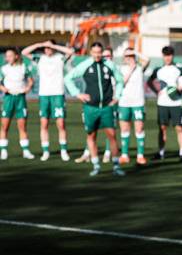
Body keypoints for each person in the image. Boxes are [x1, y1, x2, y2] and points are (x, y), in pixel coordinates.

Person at [64, 42, 125, 176]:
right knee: (91, 136)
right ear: (90, 53)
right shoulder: (85, 65)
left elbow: (120, 81)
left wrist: (117, 96)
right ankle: (96, 165)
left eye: (99, 52)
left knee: (112, 136)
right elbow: (68, 78)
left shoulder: (109, 65)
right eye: (94, 52)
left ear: (102, 52)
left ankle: (116, 166)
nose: (97, 55)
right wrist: (77, 93)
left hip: (107, 107)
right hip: (90, 108)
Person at [23, 40, 73, 161]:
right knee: (44, 124)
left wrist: (53, 45)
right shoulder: (40, 59)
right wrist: (39, 44)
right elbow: (24, 52)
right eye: (46, 48)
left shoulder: (60, 58)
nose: (48, 49)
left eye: (49, 47)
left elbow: (71, 51)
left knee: (60, 124)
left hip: (58, 94)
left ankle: (64, 150)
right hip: (44, 95)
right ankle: (46, 151)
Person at [148, 46, 182, 161]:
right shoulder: (158, 70)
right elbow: (149, 81)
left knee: (179, 128)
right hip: (162, 103)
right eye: (166, 55)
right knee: (162, 128)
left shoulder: (180, 69)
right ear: (163, 56)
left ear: (173, 55)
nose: (168, 57)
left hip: (177, 103)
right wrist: (157, 92)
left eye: (170, 55)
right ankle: (161, 153)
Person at [116, 48, 151, 165]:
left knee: (139, 129)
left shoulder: (140, 68)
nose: (129, 58)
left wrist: (135, 52)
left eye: (131, 56)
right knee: (124, 129)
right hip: (124, 103)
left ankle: (140, 155)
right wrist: (130, 69)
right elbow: (121, 83)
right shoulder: (120, 68)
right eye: (127, 56)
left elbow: (147, 60)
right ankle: (124, 155)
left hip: (138, 103)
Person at [0, 48, 36, 160]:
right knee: (5, 126)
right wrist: (3, 88)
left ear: (16, 56)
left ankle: (26, 151)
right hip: (8, 98)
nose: (8, 58)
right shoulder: (3, 69)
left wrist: (28, 88)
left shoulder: (23, 67)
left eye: (10, 55)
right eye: (6, 56)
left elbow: (31, 80)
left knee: (22, 126)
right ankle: (3, 151)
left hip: (20, 98)